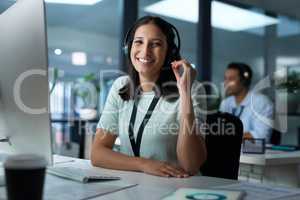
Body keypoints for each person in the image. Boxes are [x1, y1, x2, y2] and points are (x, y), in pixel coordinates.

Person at [91, 16, 207, 178]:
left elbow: (190, 165)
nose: (145, 51)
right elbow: (97, 153)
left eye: (156, 44)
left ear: (169, 52)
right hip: (134, 186)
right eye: (139, 42)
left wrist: (185, 95)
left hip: (179, 187)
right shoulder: (121, 86)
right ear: (128, 47)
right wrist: (144, 164)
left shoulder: (192, 88)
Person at [219, 62, 273, 142]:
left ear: (244, 81)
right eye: (225, 78)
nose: (226, 83)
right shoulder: (226, 103)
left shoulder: (261, 102)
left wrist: (227, 137)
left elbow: (260, 136)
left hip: (254, 153)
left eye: (231, 79)